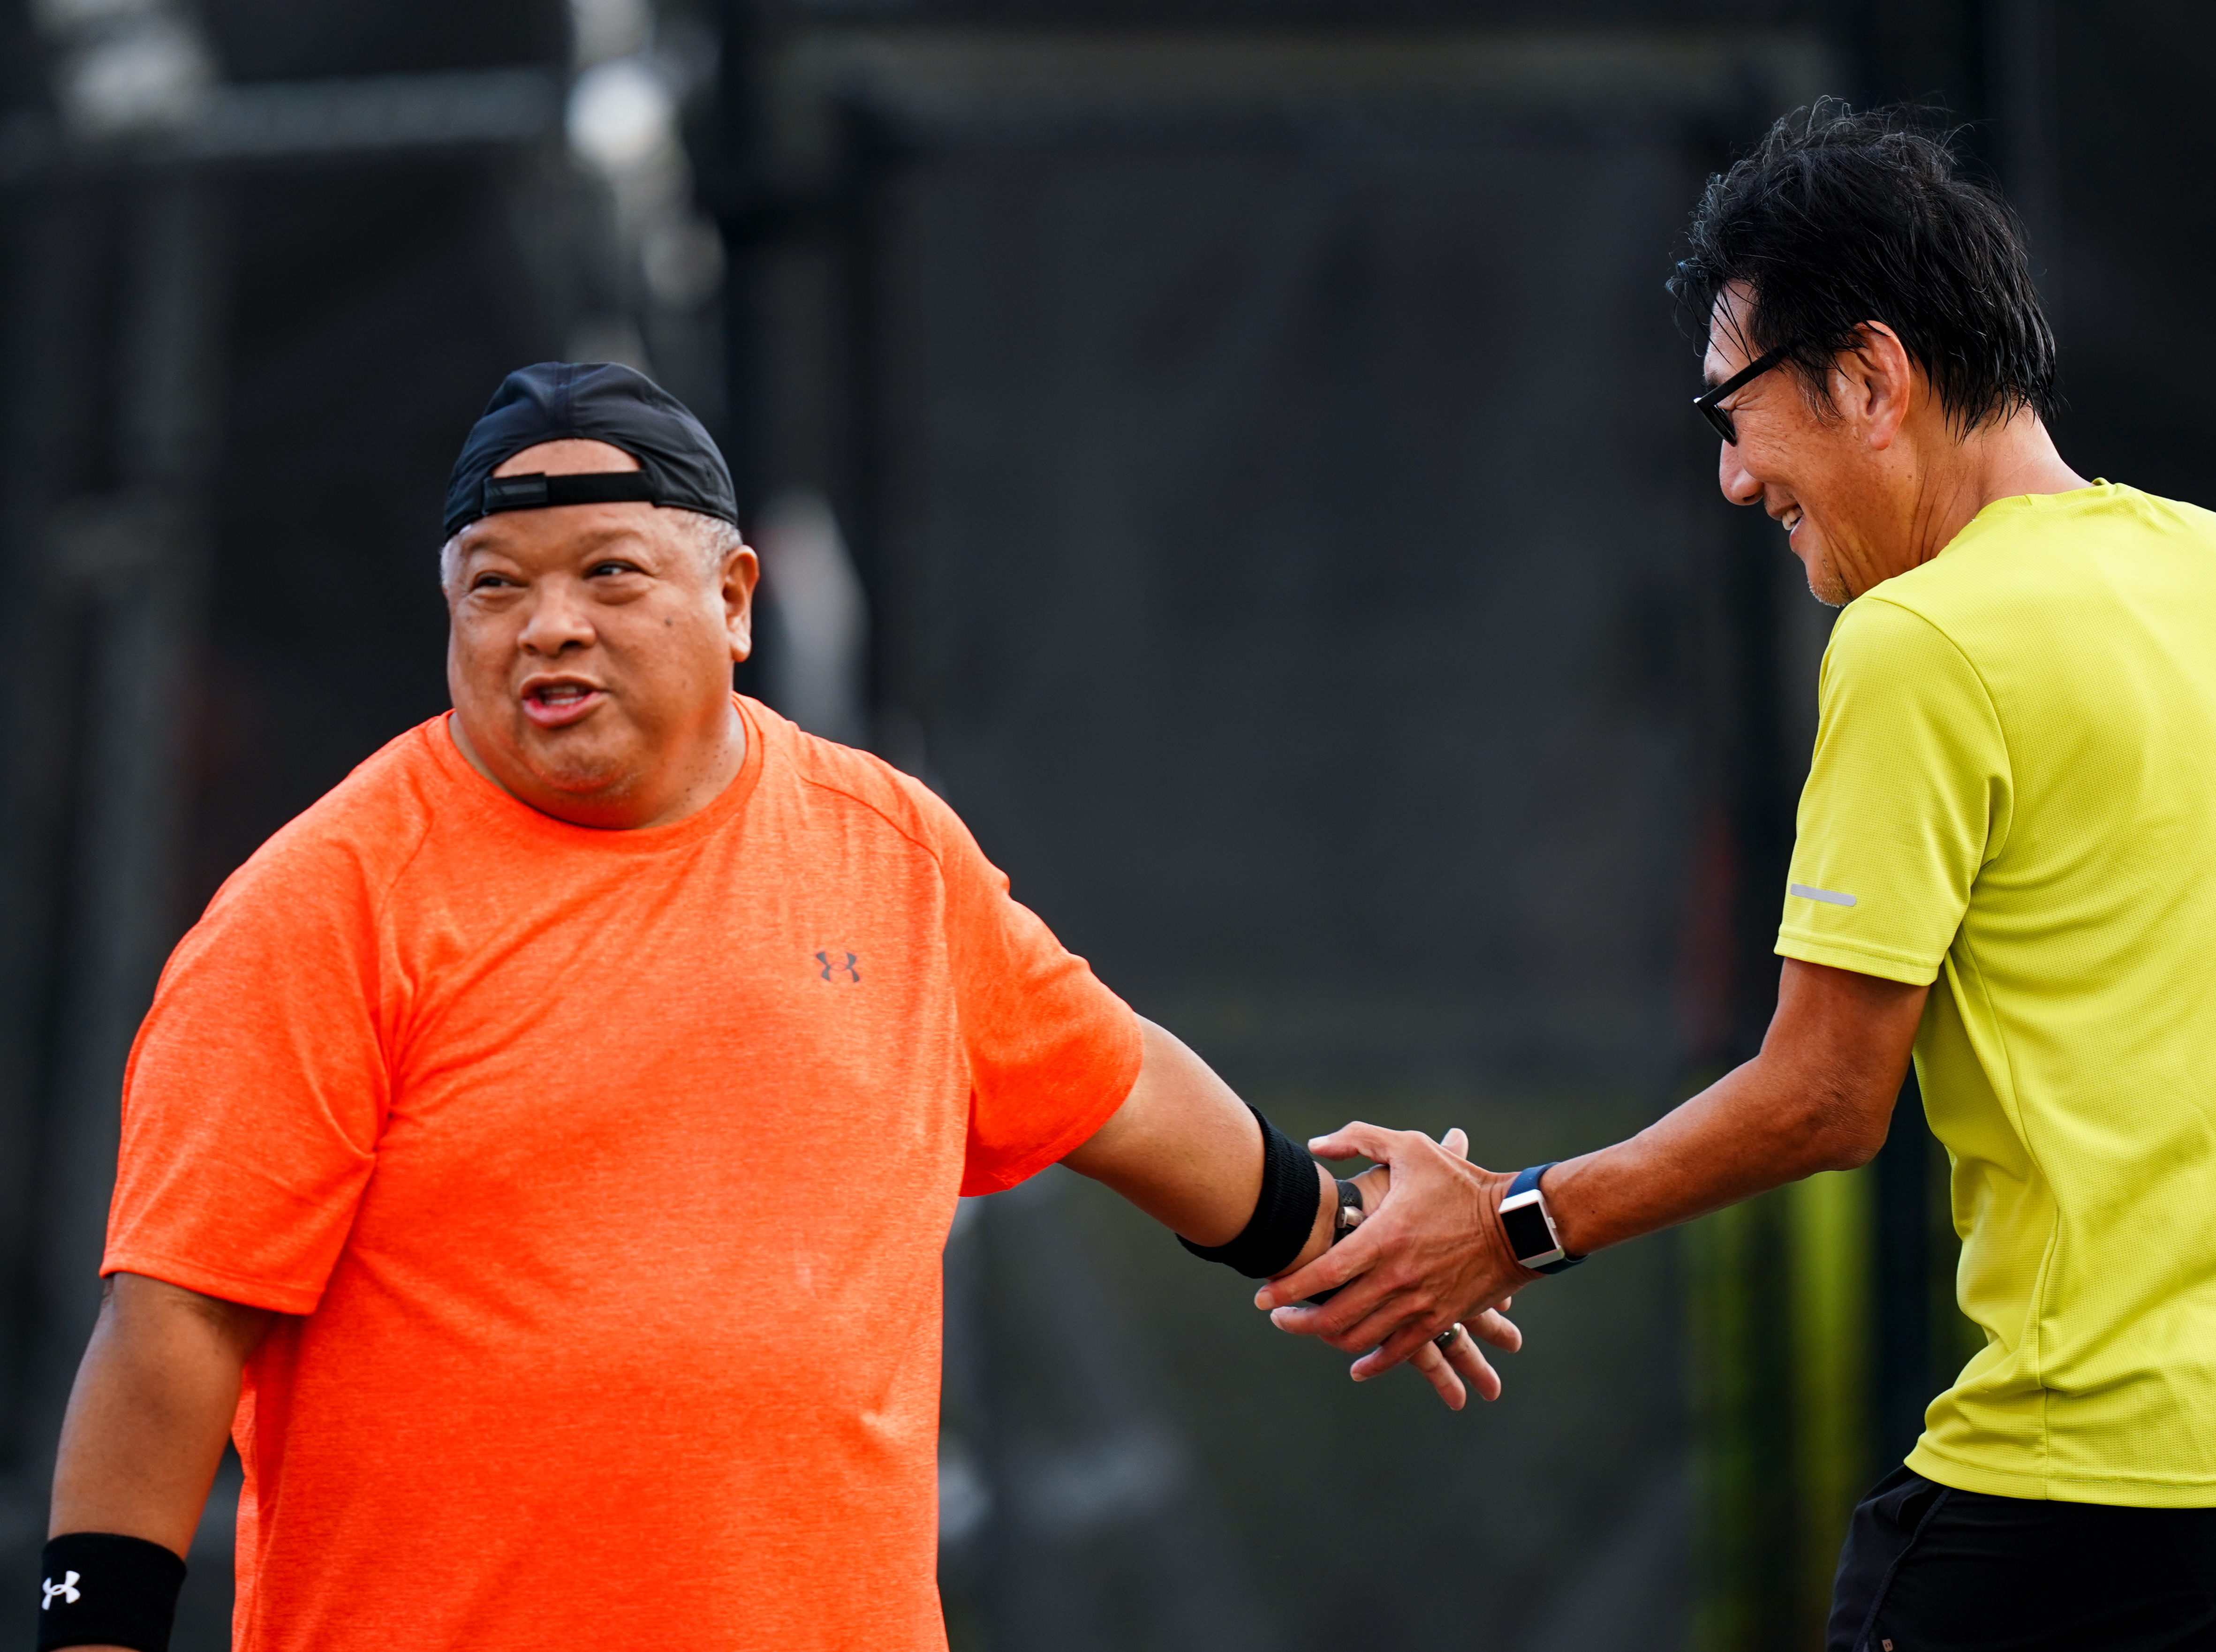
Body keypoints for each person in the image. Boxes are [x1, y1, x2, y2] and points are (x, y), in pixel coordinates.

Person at [36, 362, 1517, 1652]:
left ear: (733, 599)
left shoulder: (889, 850)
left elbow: (1115, 1088)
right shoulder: (320, 902)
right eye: (496, 584)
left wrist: (1356, 1240)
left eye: (607, 573)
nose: (546, 626)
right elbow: (171, 1329)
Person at [1262, 105, 2216, 1650]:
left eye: (1730, 414)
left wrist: (1509, 1218)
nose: (1736, 479)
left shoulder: (1920, 635)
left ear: (1872, 375)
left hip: (2080, 1510)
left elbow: (1824, 1095)